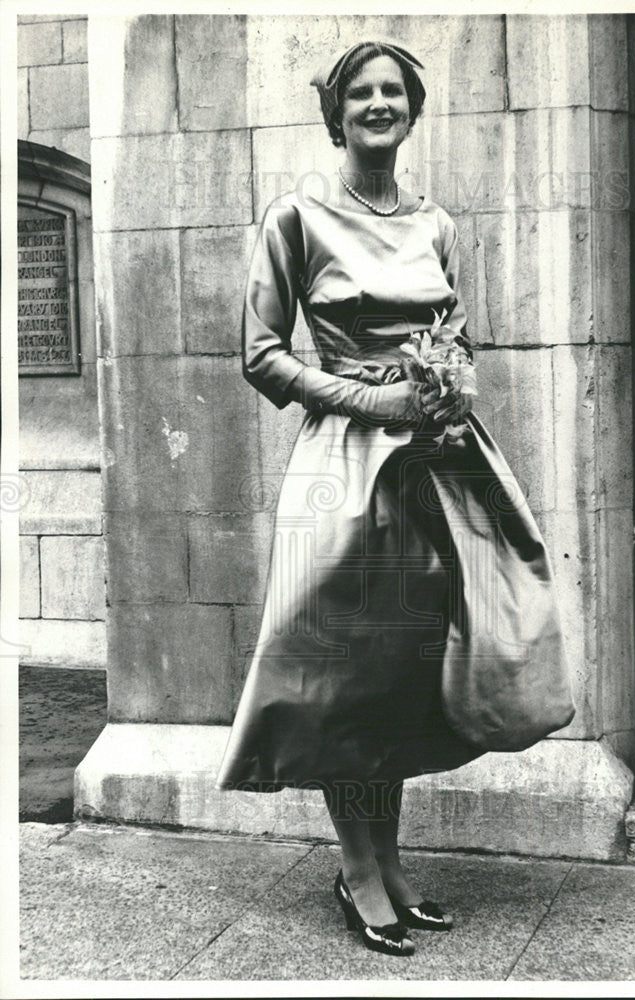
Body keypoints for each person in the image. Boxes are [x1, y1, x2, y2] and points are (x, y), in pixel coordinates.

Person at [217, 39, 571, 957]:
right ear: (335, 112)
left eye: (394, 94)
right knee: (349, 673)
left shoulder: (438, 224)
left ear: (411, 112)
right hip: (345, 461)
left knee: (411, 666)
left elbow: (456, 334)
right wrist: (370, 397)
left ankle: (393, 861)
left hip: (438, 460)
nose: (378, 105)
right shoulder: (295, 216)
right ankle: (357, 867)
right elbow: (261, 354)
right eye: (361, 93)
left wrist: (450, 390)